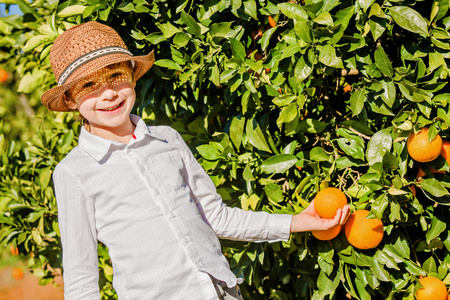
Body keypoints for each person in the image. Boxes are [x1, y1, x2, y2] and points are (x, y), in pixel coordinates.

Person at [41, 21, 350, 300]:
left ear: (133, 76)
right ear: (70, 99)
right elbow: (81, 279)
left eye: (116, 75)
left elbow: (217, 217)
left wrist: (298, 221)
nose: (108, 93)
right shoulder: (75, 171)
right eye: (89, 85)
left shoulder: (166, 140)